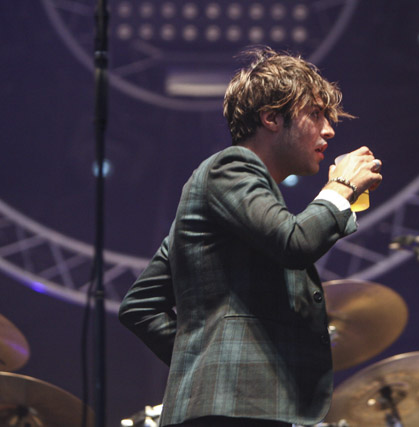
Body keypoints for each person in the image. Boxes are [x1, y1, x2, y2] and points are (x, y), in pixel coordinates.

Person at [118, 47, 383, 427]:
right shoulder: (230, 168)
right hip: (230, 412)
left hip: (239, 408)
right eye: (316, 113)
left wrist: (203, 359)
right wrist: (341, 187)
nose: (329, 129)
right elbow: (295, 243)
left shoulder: (225, 206)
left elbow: (139, 305)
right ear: (272, 117)